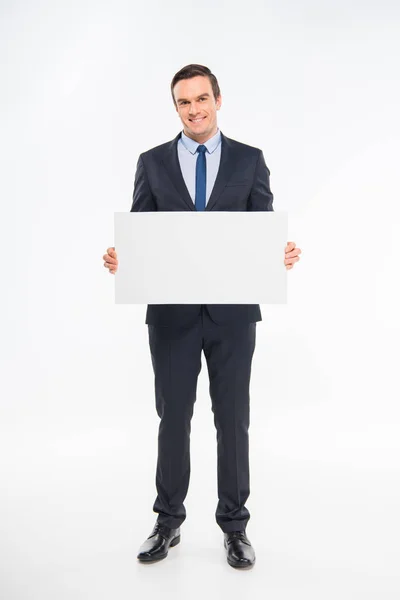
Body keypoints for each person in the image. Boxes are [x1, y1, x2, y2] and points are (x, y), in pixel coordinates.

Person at [102, 64, 302, 569]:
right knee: (173, 419)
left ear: (217, 98)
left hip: (233, 315)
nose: (193, 110)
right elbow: (141, 234)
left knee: (232, 420)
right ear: (176, 108)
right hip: (171, 315)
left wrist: (279, 255)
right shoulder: (152, 162)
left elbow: (263, 231)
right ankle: (167, 520)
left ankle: (235, 526)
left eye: (201, 99)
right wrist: (123, 258)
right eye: (183, 103)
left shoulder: (249, 160)